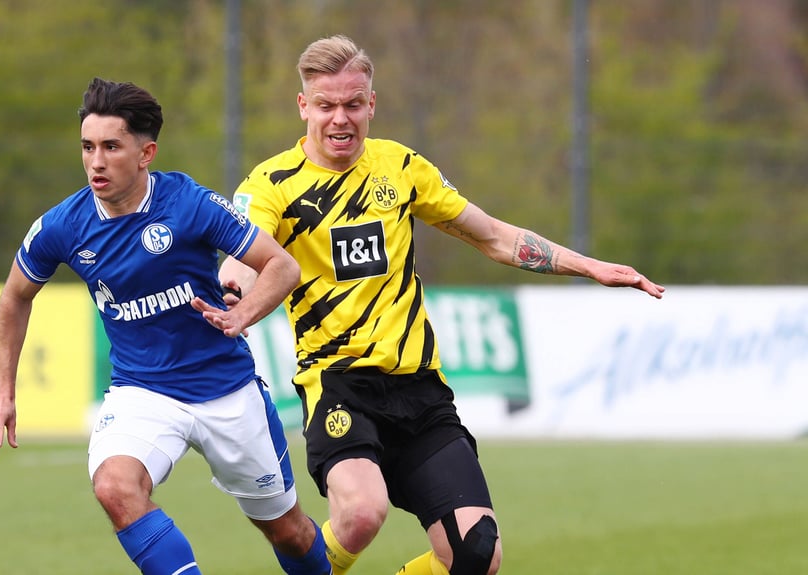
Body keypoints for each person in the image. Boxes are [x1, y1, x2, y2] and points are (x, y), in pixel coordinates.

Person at [214, 35, 666, 575]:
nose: (341, 119)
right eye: (327, 105)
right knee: (361, 515)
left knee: (477, 555)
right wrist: (232, 295)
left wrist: (589, 266)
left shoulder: (401, 168)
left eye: (353, 104)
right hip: (339, 385)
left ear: (372, 104)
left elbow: (493, 236)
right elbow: (244, 256)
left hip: (420, 392)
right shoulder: (272, 184)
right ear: (303, 105)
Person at [0, 77, 333, 575]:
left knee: (289, 532)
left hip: (225, 390)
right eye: (87, 147)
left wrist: (241, 313)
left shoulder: (187, 204)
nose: (95, 161)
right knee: (114, 488)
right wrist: (2, 391)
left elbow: (283, 267)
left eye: (110, 146)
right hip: (142, 392)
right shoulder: (63, 226)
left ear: (146, 153)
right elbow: (15, 296)